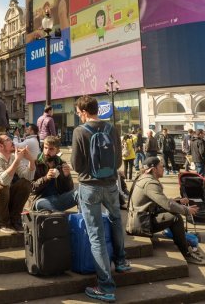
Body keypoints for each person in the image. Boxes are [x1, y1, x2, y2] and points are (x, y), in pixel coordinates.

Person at [71, 95, 129, 303]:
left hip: (89, 187)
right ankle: (121, 261)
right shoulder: (112, 129)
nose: (78, 115)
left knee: (96, 235)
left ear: (85, 112)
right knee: (115, 220)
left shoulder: (80, 131)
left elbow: (76, 165)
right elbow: (119, 160)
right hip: (111, 184)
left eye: (78, 112)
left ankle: (106, 286)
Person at [127, 157, 205, 265]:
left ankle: (184, 245)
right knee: (175, 217)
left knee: (174, 213)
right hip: (141, 224)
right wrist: (186, 210)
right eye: (161, 166)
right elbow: (166, 204)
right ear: (154, 169)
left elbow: (160, 201)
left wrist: (178, 201)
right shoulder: (150, 183)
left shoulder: (144, 178)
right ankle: (186, 253)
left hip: (141, 220)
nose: (163, 168)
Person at [29, 135, 77, 211]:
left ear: (57, 150)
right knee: (50, 206)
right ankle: (58, 216)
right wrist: (46, 178)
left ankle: (83, 220)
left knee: (81, 193)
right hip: (40, 200)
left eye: (51, 149)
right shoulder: (35, 163)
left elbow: (68, 190)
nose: (47, 151)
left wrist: (67, 176)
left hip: (58, 198)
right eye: (45, 148)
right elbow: (31, 189)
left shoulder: (61, 164)